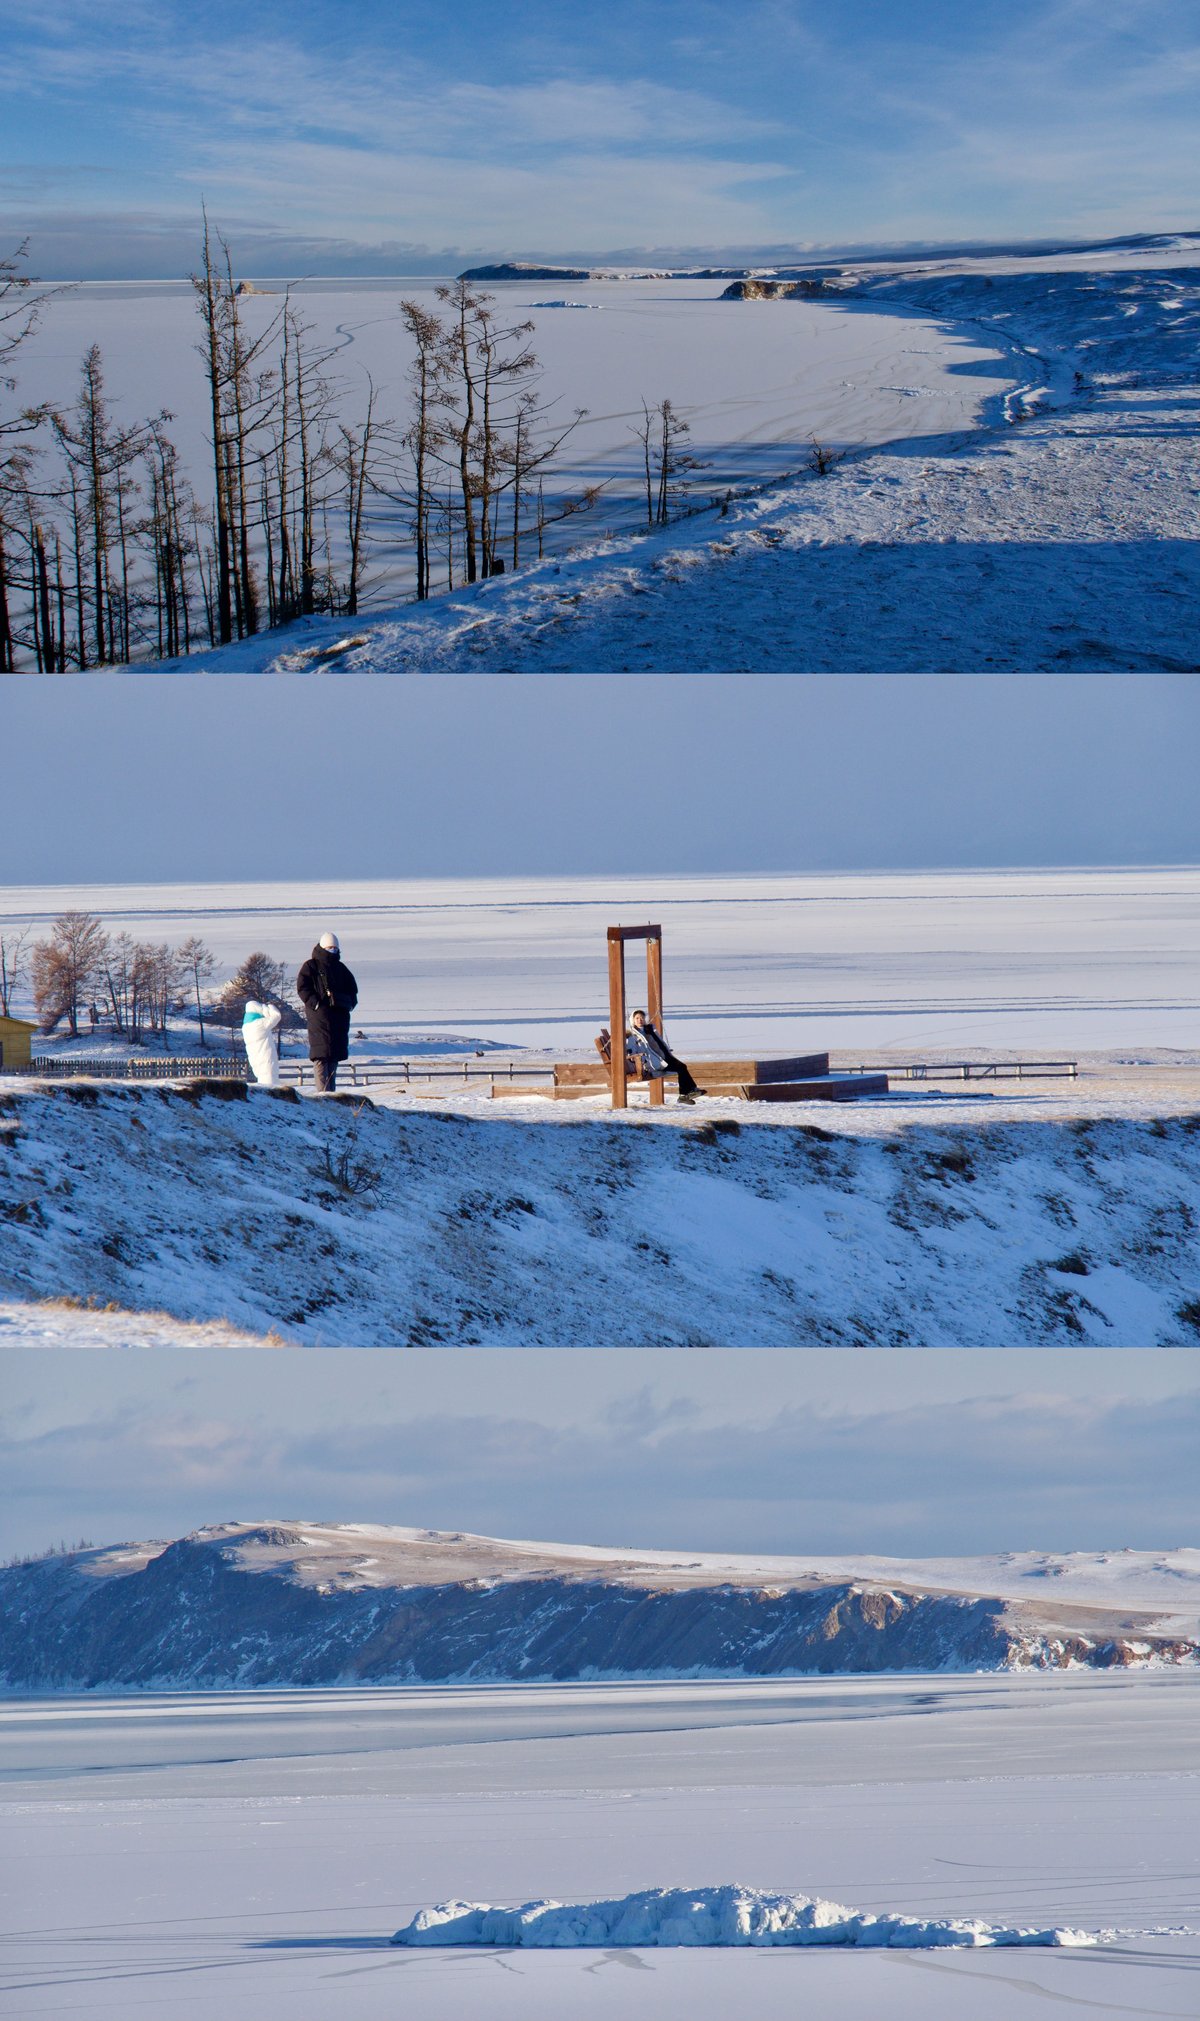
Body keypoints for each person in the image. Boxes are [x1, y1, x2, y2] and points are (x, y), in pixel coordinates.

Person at [296, 932, 359, 1093]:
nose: (333, 950)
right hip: (320, 1018)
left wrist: (348, 1004)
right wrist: (316, 1004)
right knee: (321, 1057)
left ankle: (330, 1093)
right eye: (330, 947)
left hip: (339, 1019)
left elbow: (353, 991)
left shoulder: (341, 969)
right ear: (323, 947)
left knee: (333, 1058)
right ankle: (323, 1094)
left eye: (335, 948)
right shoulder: (311, 966)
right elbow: (303, 988)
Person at [627, 1008, 700, 1104]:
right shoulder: (632, 1035)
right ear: (633, 1020)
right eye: (637, 1018)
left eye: (642, 1018)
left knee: (682, 1067)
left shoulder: (649, 1029)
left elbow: (658, 1043)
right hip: (653, 1063)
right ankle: (685, 1094)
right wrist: (640, 1060)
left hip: (663, 1057)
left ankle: (689, 1092)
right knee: (681, 1068)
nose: (640, 1020)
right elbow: (631, 1051)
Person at [241, 998, 282, 1087]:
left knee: (263, 1081)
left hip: (256, 1060)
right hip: (266, 1058)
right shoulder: (260, 1023)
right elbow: (276, 1016)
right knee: (271, 1085)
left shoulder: (246, 1027)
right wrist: (269, 1006)